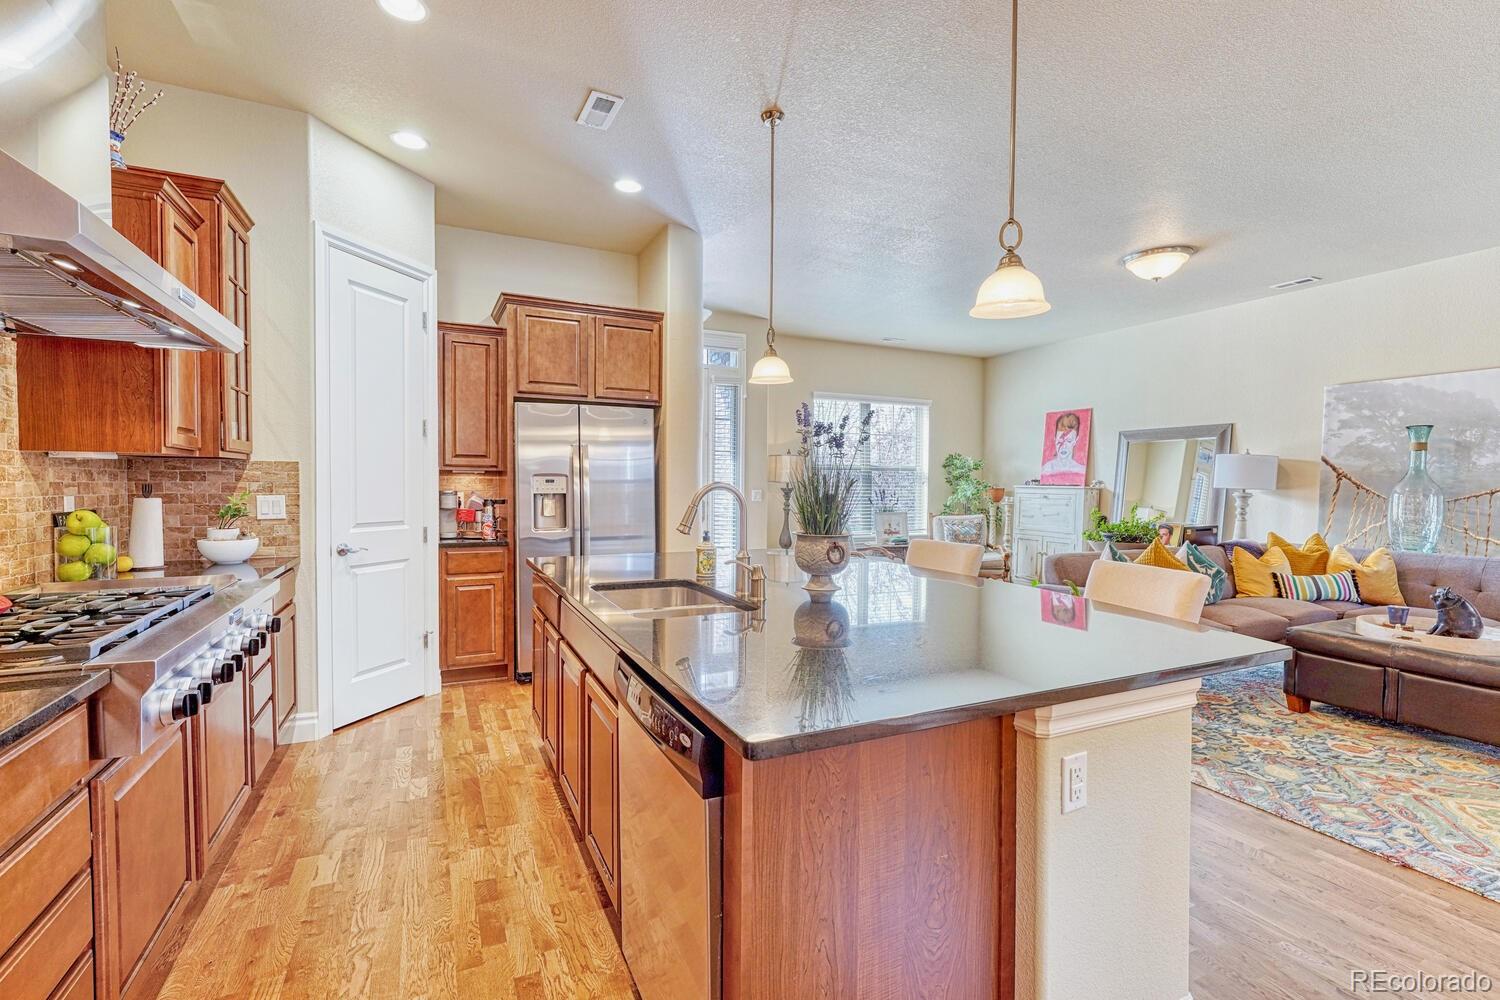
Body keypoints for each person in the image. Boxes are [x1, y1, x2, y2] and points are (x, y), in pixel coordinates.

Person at [1041, 411, 1086, 480]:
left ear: (1076, 441)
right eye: (1060, 441)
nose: (1063, 446)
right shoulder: (1045, 469)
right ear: (1055, 439)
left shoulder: (1081, 470)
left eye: (1069, 441)